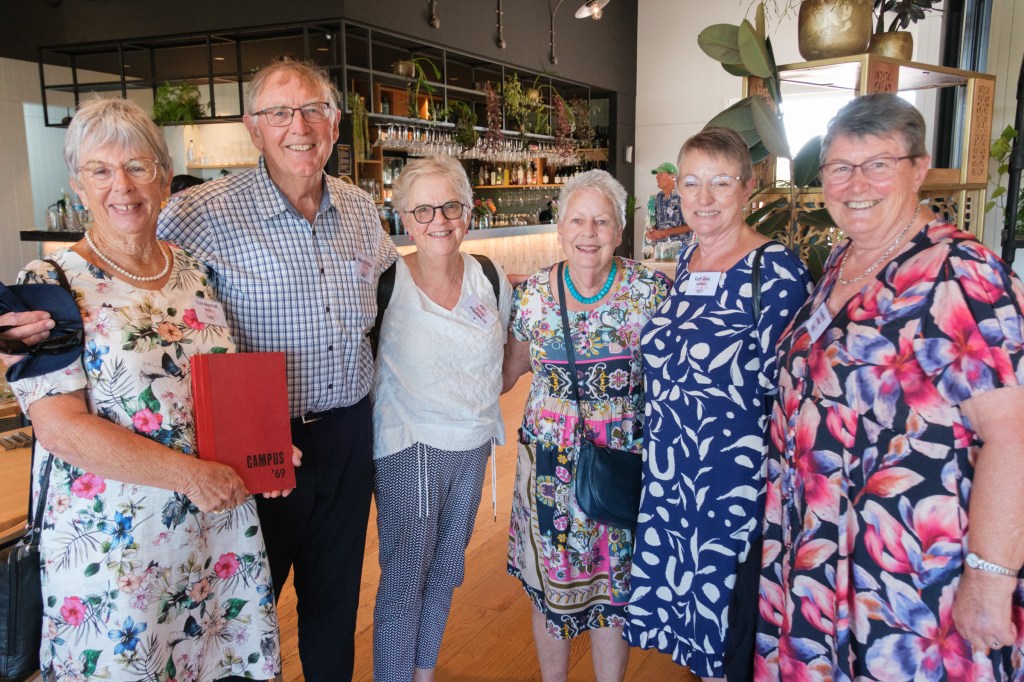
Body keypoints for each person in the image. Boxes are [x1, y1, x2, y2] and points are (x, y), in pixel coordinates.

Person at [2, 98, 292, 680]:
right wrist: (191, 477)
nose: (123, 185)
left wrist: (263, 446)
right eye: (100, 170)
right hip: (118, 551)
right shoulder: (50, 284)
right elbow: (61, 430)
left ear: (164, 177)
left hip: (215, 533)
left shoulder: (193, 270)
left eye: (138, 166)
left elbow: (214, 387)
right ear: (78, 185)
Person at [756, 93, 1024, 680]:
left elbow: (1014, 437)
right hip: (820, 545)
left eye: (878, 164)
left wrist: (990, 578)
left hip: (911, 565)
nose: (856, 184)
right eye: (839, 167)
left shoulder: (962, 272)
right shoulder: (846, 260)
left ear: (918, 168)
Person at [158, 57, 398, 680]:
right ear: (253, 127)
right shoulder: (200, 213)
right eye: (280, 113)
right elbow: (139, 288)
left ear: (335, 124)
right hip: (256, 441)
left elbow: (391, 296)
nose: (300, 126)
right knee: (241, 610)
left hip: (348, 431)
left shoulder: (359, 208)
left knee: (335, 601)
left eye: (314, 110)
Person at [623, 127, 811, 681]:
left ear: (748, 188)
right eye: (691, 183)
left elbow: (792, 393)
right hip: (674, 471)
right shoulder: (688, 260)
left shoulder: (774, 271)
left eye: (721, 183)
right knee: (696, 621)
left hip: (732, 482)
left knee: (732, 628)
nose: (703, 198)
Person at [502, 169, 671, 681]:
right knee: (548, 593)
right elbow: (507, 372)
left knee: (613, 595)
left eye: (601, 221)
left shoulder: (651, 292)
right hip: (548, 470)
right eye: (577, 220)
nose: (588, 233)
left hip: (620, 466)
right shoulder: (534, 295)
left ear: (619, 230)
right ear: (560, 229)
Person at [371, 155, 513, 681]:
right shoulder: (387, 282)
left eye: (451, 206)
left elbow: (507, 355)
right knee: (405, 577)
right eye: (424, 210)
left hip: (474, 443)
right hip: (409, 445)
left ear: (468, 213)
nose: (439, 220)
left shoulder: (490, 277)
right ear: (405, 220)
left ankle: (422, 673)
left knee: (446, 570)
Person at [644, 161, 692, 246]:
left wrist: (666, 232)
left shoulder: (684, 196)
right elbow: (658, 224)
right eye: (657, 175)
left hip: (681, 249)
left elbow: (692, 225)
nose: (657, 177)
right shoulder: (659, 197)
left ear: (673, 177)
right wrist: (652, 231)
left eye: (660, 175)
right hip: (661, 249)